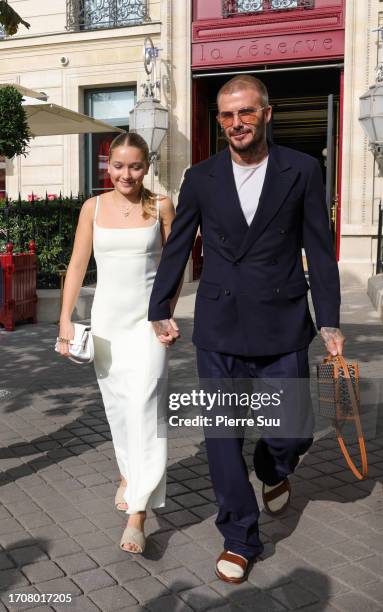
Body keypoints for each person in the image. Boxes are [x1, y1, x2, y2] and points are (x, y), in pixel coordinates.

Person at [148, 75, 344, 583]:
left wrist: (331, 321)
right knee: (220, 435)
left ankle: (275, 467)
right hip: (219, 325)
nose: (236, 123)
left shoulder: (302, 170)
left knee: (292, 430)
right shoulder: (201, 177)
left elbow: (320, 251)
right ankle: (239, 536)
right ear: (219, 121)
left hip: (282, 322)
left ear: (267, 113)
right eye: (226, 115)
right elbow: (179, 246)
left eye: (245, 112)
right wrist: (160, 306)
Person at [57, 132, 178, 554]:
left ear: (147, 166)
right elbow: (76, 265)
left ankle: (138, 513)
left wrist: (165, 314)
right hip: (106, 322)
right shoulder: (92, 208)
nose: (126, 174)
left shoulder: (161, 206)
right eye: (119, 166)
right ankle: (128, 472)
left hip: (147, 324)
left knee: (146, 405)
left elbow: (175, 268)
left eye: (135, 166)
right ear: (108, 167)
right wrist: (64, 322)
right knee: (118, 407)